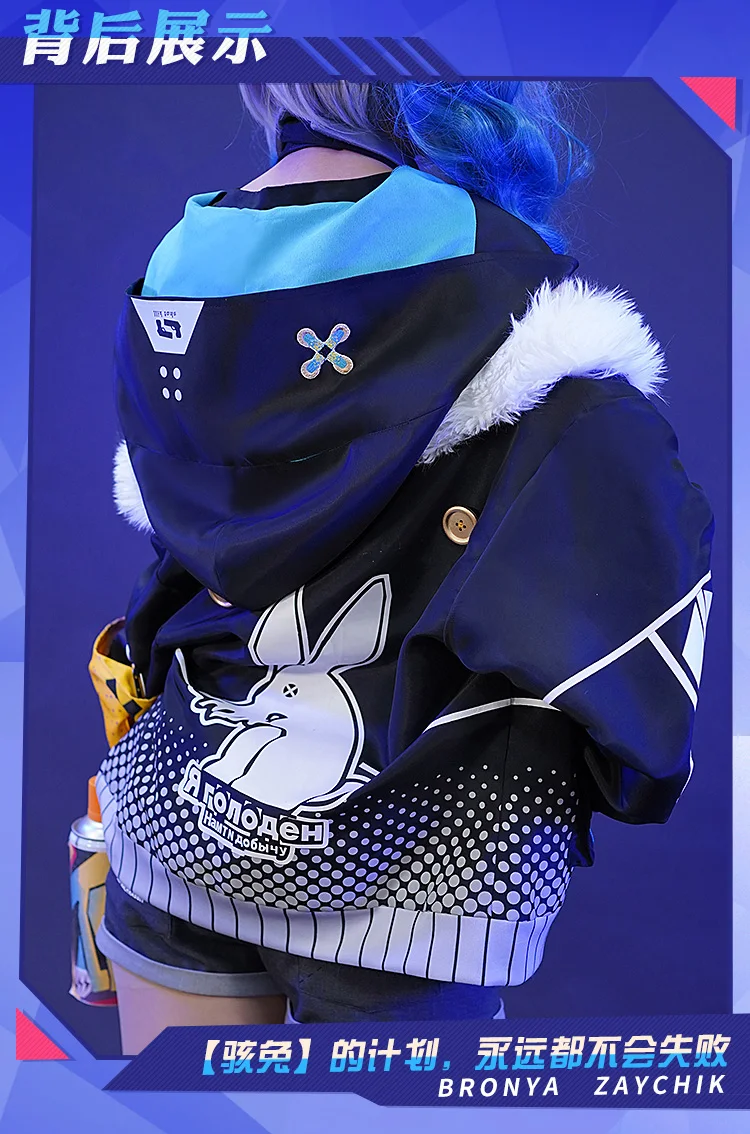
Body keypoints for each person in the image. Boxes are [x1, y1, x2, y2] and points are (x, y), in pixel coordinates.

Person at [89, 81, 714, 1054]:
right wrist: (624, 768)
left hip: (177, 812)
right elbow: (619, 583)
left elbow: (184, 557)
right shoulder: (507, 282)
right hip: (430, 869)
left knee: (194, 1118)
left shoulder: (181, 273)